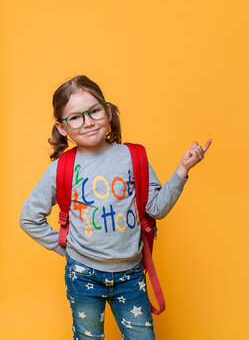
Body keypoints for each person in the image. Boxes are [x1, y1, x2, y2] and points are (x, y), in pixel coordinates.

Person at [19, 75, 212, 340]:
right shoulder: (60, 169)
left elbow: (156, 209)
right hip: (82, 276)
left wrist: (182, 170)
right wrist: (67, 247)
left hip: (131, 275)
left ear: (107, 112)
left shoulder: (134, 158)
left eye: (94, 111)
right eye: (75, 117)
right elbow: (29, 218)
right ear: (62, 127)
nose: (87, 122)